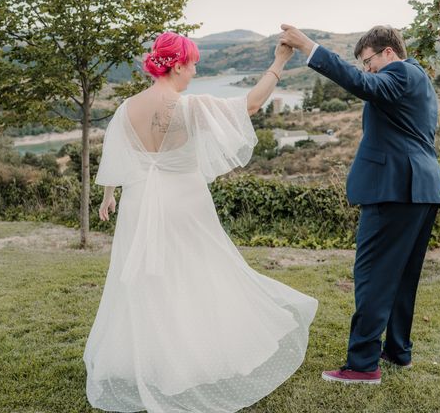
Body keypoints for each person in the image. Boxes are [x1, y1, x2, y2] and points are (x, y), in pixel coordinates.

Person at [84, 32, 318, 412]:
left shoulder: (126, 108)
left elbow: (115, 156)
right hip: (185, 203)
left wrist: (109, 196)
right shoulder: (191, 107)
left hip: (140, 205)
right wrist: (279, 62)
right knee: (196, 274)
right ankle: (191, 356)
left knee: (148, 279)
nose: (195, 71)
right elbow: (252, 104)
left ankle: (153, 358)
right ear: (175, 65)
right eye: (192, 64)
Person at [280, 24, 440, 384]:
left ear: (388, 52)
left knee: (373, 276)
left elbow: (364, 86)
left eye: (367, 61)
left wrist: (309, 47)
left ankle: (361, 364)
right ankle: (397, 351)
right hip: (419, 189)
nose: (366, 69)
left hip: (395, 190)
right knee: (402, 277)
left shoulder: (401, 72)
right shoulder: (418, 79)